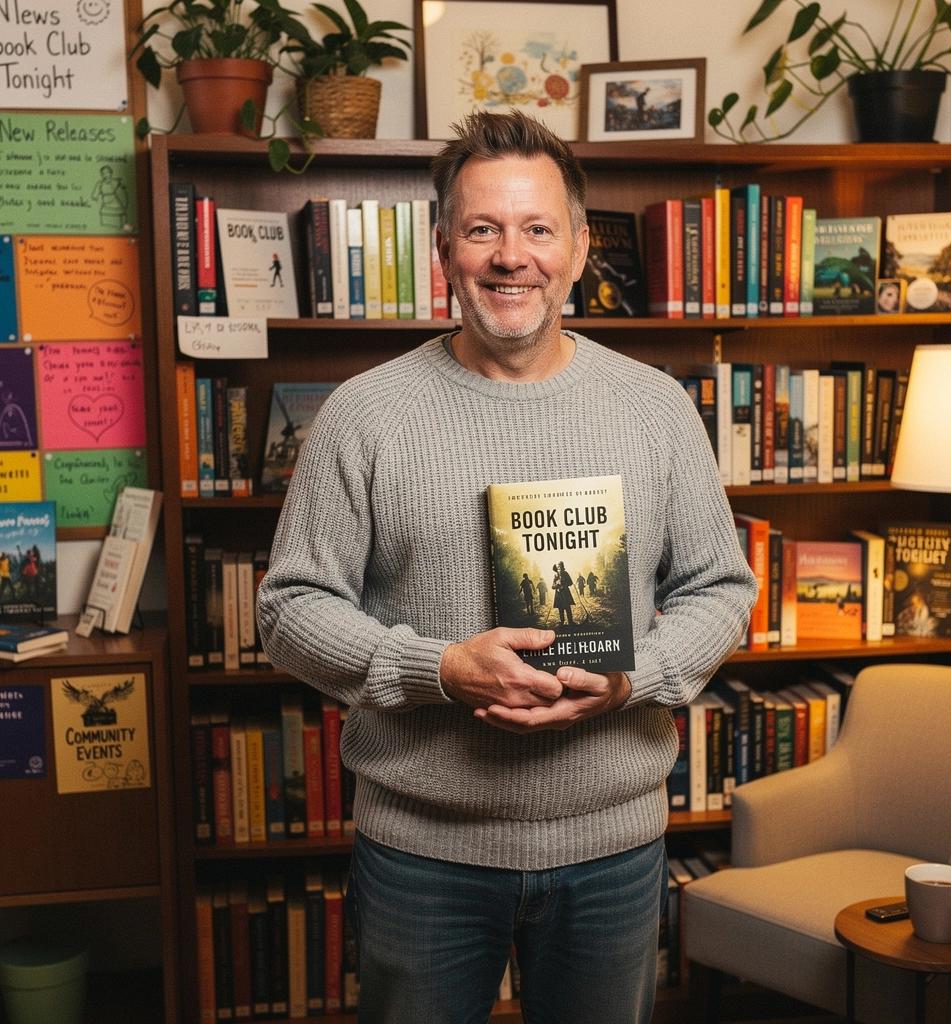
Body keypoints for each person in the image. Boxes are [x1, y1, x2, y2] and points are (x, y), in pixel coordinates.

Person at [257, 110, 756, 1024]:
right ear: (444, 249)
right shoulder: (366, 414)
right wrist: (438, 668)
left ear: (575, 249)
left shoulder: (656, 408)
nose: (509, 256)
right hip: (422, 854)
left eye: (536, 230)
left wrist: (635, 677)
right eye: (482, 230)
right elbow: (289, 608)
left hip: (613, 846)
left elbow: (720, 587)